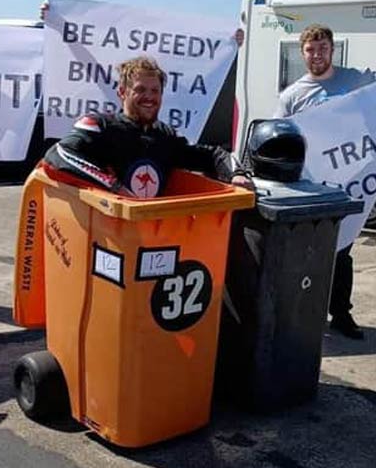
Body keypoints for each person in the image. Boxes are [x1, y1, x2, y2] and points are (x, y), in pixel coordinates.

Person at [275, 24, 374, 340]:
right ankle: (302, 313)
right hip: (312, 182)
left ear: (332, 50)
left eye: (323, 49)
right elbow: (282, 136)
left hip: (350, 179)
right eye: (310, 49)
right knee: (307, 250)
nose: (317, 55)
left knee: (343, 249)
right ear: (302, 52)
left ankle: (341, 314)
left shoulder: (355, 79)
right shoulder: (291, 95)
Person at [44, 56, 252, 198]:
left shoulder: (166, 136)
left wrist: (237, 174)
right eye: (140, 90)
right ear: (122, 92)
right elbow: (60, 153)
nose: (149, 97)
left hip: (152, 234)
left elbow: (212, 155)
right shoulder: (100, 126)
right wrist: (114, 186)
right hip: (105, 233)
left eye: (155, 91)